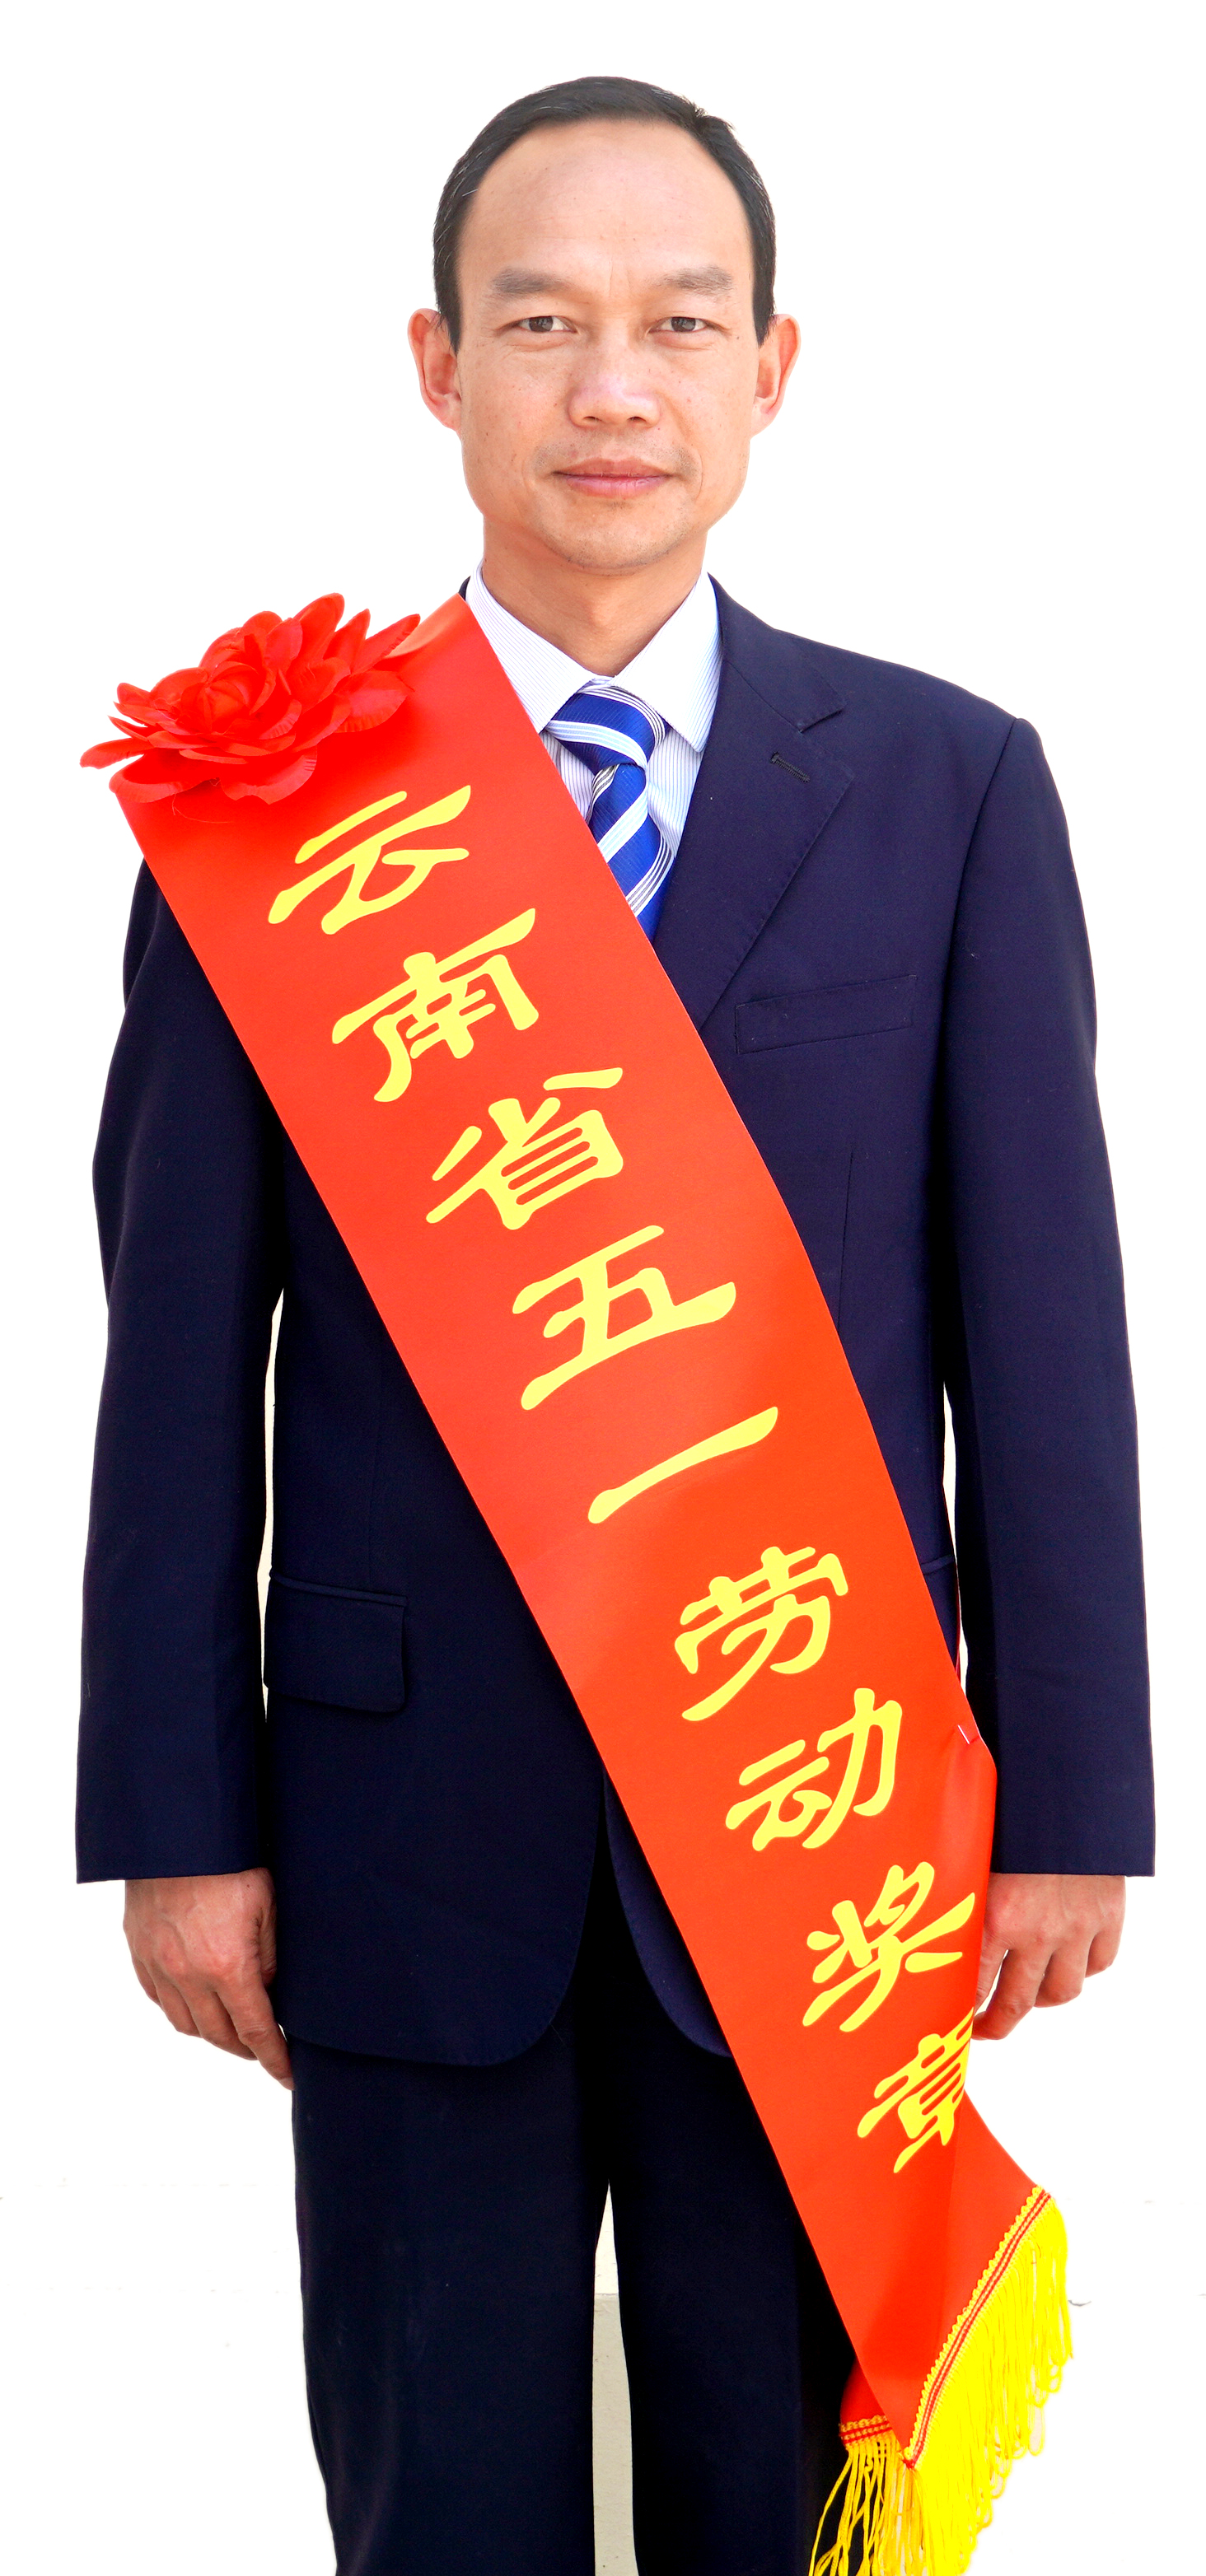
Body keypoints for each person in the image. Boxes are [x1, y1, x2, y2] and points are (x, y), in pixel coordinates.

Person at [78, 75, 1152, 2576]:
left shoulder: (947, 784)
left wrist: (1073, 1798)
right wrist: (176, 1816)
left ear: (774, 372)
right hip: (392, 1833)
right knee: (432, 2513)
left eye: (680, 324)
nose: (613, 388)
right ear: (435, 364)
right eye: (543, 321)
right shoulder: (278, 812)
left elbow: (1048, 1332)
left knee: (778, 2508)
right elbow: (174, 1357)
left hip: (813, 1810)